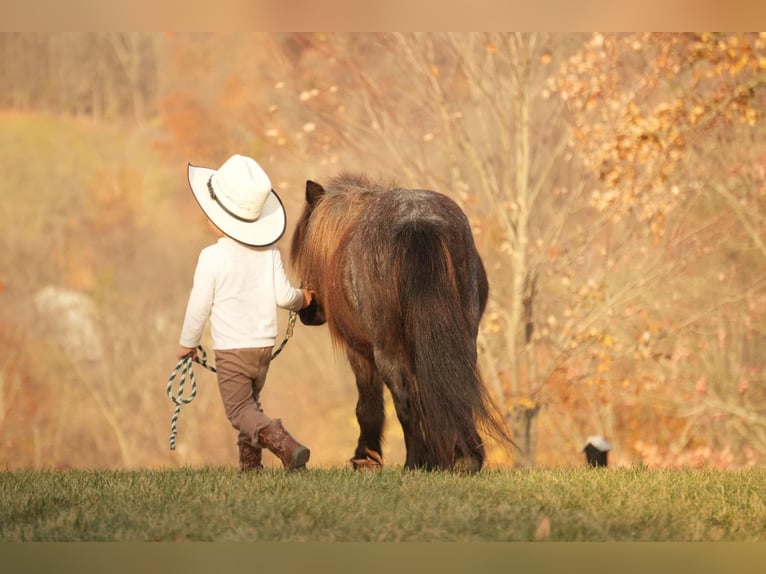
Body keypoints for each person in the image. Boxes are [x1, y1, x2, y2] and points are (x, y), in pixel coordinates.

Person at [177, 154, 313, 472]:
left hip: (232, 349)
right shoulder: (269, 252)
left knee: (239, 410)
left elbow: (199, 306)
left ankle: (287, 446)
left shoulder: (211, 257)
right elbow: (284, 296)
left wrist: (188, 343)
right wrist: (303, 299)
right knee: (251, 408)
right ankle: (250, 469)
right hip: (262, 348)